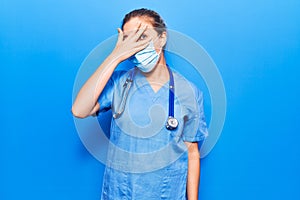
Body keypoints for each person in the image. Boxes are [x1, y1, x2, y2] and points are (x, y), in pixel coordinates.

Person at [72, 8, 208, 200]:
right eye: (130, 40)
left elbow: (192, 152)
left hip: (166, 194)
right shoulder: (118, 84)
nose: (137, 46)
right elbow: (79, 110)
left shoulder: (189, 92)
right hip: (119, 193)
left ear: (162, 38)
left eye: (143, 36)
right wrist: (115, 56)